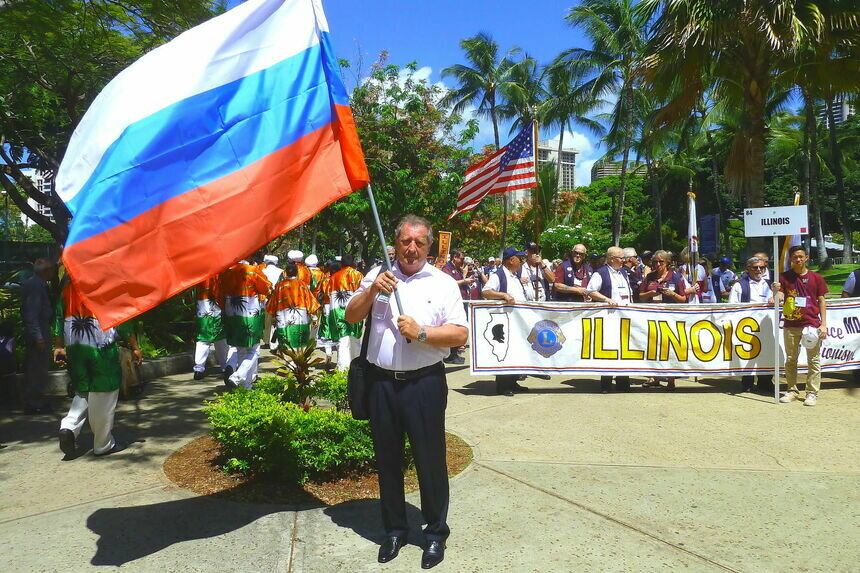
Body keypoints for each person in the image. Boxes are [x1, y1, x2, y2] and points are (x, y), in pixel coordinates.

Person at [345, 215, 467, 569]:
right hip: (382, 383)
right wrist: (371, 291)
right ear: (395, 244)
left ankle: (434, 534)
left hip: (424, 384)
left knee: (430, 462)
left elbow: (460, 335)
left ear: (429, 247)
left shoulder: (444, 283)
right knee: (387, 462)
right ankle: (395, 529)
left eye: (419, 243)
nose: (411, 249)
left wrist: (423, 333)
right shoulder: (377, 275)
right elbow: (352, 317)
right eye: (405, 242)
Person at [54, 279, 142, 457]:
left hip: (76, 349)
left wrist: (58, 345)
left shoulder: (68, 289)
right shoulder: (109, 287)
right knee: (105, 394)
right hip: (101, 351)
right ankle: (103, 444)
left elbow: (57, 319)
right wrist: (135, 347)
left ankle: (69, 427)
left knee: (83, 391)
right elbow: (123, 320)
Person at [774, 245, 828, 406]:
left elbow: (822, 300)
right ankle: (792, 390)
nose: (798, 259)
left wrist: (823, 324)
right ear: (790, 259)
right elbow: (781, 296)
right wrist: (776, 291)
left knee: (813, 360)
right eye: (795, 257)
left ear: (806, 258)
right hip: (791, 323)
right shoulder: (784, 277)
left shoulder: (816, 278)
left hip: (811, 323)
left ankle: (812, 393)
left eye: (800, 256)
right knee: (791, 359)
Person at [482, 246, 532, 396]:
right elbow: (486, 291)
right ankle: (503, 385)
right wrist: (503, 295)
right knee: (505, 353)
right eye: (519, 258)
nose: (521, 261)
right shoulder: (499, 275)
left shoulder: (513, 275)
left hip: (518, 322)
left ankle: (512, 382)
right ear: (511, 260)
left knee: (515, 352)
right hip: (506, 321)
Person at [586, 247, 633, 393]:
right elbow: (590, 291)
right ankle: (606, 384)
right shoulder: (600, 273)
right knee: (609, 350)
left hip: (625, 317)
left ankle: (623, 383)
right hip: (609, 317)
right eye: (621, 258)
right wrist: (606, 299)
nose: (624, 260)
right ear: (611, 258)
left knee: (625, 350)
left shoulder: (624, 272)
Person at [639, 250, 686, 390]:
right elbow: (641, 296)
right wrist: (651, 293)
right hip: (652, 317)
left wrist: (673, 294)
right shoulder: (649, 277)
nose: (657, 264)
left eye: (661, 261)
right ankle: (655, 377)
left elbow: (683, 299)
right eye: (655, 262)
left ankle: (671, 380)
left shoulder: (676, 277)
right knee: (653, 348)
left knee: (670, 349)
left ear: (667, 263)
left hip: (671, 318)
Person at [221, 257, 271, 389]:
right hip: (249, 314)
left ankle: (246, 385)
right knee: (254, 350)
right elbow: (266, 288)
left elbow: (219, 293)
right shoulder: (252, 271)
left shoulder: (226, 272)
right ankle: (237, 377)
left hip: (231, 314)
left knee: (240, 349)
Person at [728, 257, 775, 393]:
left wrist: (776, 297)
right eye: (755, 267)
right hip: (747, 328)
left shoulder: (770, 285)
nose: (759, 270)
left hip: (766, 326)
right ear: (748, 268)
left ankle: (765, 381)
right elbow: (732, 307)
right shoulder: (739, 285)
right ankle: (747, 381)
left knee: (767, 353)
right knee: (748, 354)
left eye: (761, 267)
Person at [20, 257, 56, 413]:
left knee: (39, 368)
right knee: (37, 368)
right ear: (46, 271)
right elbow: (31, 313)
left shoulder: (37, 283)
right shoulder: (35, 285)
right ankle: (33, 403)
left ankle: (36, 400)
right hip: (38, 330)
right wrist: (38, 336)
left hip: (41, 328)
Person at [267, 261, 320, 348]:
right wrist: (314, 316)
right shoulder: (302, 285)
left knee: (286, 341)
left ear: (286, 273)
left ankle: (287, 358)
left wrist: (273, 316)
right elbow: (310, 301)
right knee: (299, 343)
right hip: (301, 315)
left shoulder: (280, 285)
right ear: (297, 272)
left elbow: (273, 303)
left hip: (282, 315)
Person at [192, 275, 235, 380]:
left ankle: (199, 369)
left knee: (203, 339)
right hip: (215, 306)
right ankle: (225, 366)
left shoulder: (199, 273)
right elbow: (217, 291)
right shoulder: (216, 273)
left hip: (202, 307)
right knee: (220, 339)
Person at [328, 253, 364, 370]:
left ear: (341, 262)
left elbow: (329, 295)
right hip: (356, 311)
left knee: (342, 341)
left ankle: (343, 369)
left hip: (339, 312)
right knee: (355, 340)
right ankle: (357, 367)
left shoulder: (334, 277)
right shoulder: (358, 275)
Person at [440, 248, 474, 364]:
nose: (463, 261)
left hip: (461, 301)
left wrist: (464, 274)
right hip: (451, 303)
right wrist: (464, 281)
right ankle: (450, 355)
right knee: (453, 327)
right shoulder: (446, 269)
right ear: (455, 257)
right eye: (461, 259)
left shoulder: (458, 269)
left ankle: (454, 352)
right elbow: (449, 283)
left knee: (460, 326)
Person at [261, 254, 283, 349]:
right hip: (279, 299)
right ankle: (278, 341)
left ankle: (266, 342)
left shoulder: (262, 271)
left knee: (267, 322)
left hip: (265, 299)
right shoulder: (282, 271)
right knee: (279, 320)